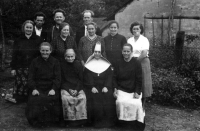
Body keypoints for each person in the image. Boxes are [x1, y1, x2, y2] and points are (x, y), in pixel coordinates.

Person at [26, 42, 61, 127]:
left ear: (50, 51)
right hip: (38, 87)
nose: (45, 52)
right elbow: (30, 78)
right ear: (40, 50)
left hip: (50, 87)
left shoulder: (55, 62)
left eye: (47, 50)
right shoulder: (35, 61)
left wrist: (53, 89)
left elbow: (58, 78)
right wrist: (34, 89)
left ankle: (50, 121)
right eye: (43, 50)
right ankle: (37, 122)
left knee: (53, 99)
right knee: (35, 99)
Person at [113, 43, 145, 130]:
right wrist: (115, 89)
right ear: (122, 51)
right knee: (120, 102)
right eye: (124, 51)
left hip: (133, 90)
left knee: (136, 104)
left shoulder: (137, 63)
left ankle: (135, 123)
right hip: (121, 89)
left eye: (128, 51)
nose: (126, 53)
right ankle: (123, 123)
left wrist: (137, 92)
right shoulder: (118, 62)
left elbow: (139, 79)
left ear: (131, 52)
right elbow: (114, 78)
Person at [83, 43, 116, 128]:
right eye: (95, 52)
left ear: (101, 52)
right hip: (93, 86)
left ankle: (108, 122)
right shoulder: (88, 64)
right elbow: (87, 77)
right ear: (93, 52)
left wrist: (106, 86)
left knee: (108, 96)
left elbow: (109, 77)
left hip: (104, 86)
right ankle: (96, 123)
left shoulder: (106, 64)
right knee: (95, 97)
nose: (97, 53)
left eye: (99, 52)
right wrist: (92, 87)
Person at [9, 20, 42, 103]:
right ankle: (20, 98)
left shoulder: (37, 39)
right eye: (27, 27)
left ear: (33, 29)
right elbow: (14, 54)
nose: (28, 29)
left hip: (33, 66)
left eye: (30, 27)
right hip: (21, 66)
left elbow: (40, 53)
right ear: (24, 28)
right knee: (21, 84)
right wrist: (13, 68)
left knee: (32, 83)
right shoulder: (18, 39)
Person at [127, 22, 153, 109]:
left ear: (141, 30)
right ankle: (133, 104)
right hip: (131, 61)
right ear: (132, 30)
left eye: (137, 29)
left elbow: (144, 53)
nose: (135, 30)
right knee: (133, 81)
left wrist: (136, 63)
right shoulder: (129, 40)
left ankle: (142, 106)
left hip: (142, 61)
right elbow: (128, 52)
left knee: (143, 82)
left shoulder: (144, 39)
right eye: (134, 29)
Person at [60, 49, 87, 127]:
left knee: (82, 98)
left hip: (77, 87)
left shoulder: (78, 65)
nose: (70, 58)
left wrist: (77, 90)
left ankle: (80, 121)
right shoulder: (61, 65)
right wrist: (69, 89)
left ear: (75, 56)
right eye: (68, 56)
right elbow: (61, 80)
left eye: (72, 56)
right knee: (65, 98)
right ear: (65, 57)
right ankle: (69, 121)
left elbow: (81, 79)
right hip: (66, 87)